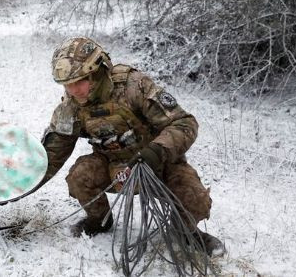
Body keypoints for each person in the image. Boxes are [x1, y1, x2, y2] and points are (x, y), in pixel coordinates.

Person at [40, 36, 224, 256]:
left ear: (97, 72)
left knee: (195, 199)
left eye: (79, 81)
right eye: (67, 85)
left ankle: (187, 232)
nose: (73, 90)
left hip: (158, 163)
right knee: (80, 175)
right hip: (114, 168)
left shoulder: (133, 86)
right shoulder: (71, 106)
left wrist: (155, 152)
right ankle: (99, 221)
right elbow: (52, 153)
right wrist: (15, 188)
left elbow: (184, 123)